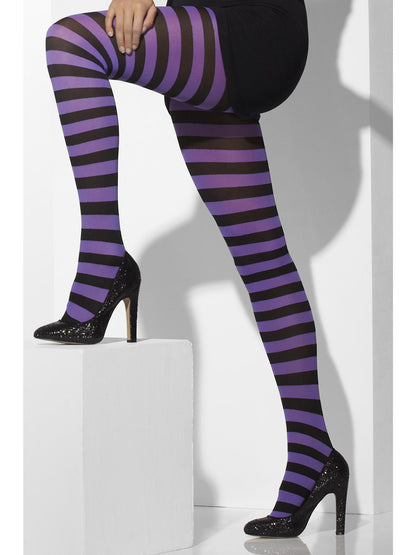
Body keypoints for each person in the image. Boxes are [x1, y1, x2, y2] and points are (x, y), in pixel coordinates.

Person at [33, 0, 349, 537]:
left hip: (251, 31)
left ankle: (104, 261)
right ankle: (314, 453)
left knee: (73, 43)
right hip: (204, 31)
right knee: (264, 262)